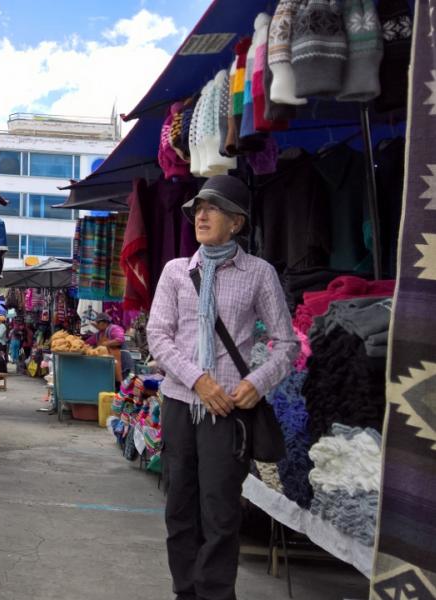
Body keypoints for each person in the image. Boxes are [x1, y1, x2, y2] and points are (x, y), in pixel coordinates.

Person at [146, 175, 298, 600]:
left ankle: (215, 595)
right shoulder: (177, 271)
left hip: (228, 411)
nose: (202, 215)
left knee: (220, 513)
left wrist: (256, 382)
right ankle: (185, 592)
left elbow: (286, 344)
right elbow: (158, 336)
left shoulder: (258, 274)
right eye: (197, 208)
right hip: (181, 404)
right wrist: (198, 379)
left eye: (212, 207)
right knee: (179, 510)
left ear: (236, 222)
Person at [86, 313, 126, 383]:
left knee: (120, 385)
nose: (97, 324)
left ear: (105, 322)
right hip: (107, 366)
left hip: (122, 363)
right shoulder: (99, 334)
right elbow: (87, 343)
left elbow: (120, 340)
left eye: (98, 322)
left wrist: (106, 344)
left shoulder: (114, 328)